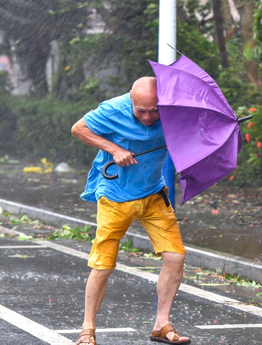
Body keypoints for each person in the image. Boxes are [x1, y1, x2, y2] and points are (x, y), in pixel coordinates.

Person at [71, 77, 191, 345]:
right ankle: (87, 329)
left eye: (154, 110)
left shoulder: (174, 112)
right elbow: (78, 129)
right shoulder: (112, 110)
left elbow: (191, 134)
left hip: (153, 194)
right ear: (131, 101)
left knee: (176, 257)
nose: (149, 117)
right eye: (141, 111)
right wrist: (114, 149)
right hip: (115, 195)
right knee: (103, 264)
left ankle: (162, 325)